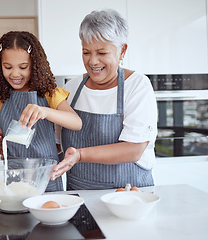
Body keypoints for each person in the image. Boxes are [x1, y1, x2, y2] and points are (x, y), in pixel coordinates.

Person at [51, 9, 158, 190]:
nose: (93, 61)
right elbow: (56, 145)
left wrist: (80, 155)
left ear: (122, 51)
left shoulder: (137, 86)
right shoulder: (72, 88)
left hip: (127, 196)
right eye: (86, 52)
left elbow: (133, 149)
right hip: (79, 197)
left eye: (101, 53)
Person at [0, 31, 82, 191]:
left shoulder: (49, 94)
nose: (15, 73)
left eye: (23, 67)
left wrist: (45, 112)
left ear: (35, 65)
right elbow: (5, 144)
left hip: (47, 178)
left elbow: (76, 122)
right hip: (15, 181)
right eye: (8, 67)